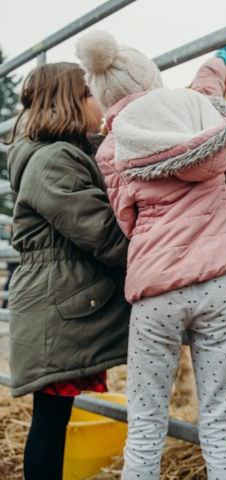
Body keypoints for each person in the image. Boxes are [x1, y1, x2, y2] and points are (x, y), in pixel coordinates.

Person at [76, 30, 226, 479]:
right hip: (216, 288)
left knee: (145, 426)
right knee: (218, 422)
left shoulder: (114, 147)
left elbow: (126, 221)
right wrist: (220, 59)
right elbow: (205, 88)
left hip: (157, 294)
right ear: (150, 77)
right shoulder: (197, 113)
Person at [5, 62, 130, 480]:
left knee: (52, 417)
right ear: (71, 102)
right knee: (50, 420)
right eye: (92, 94)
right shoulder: (54, 161)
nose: (100, 103)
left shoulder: (51, 153)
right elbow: (103, 235)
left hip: (57, 301)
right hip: (56, 309)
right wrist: (158, 257)